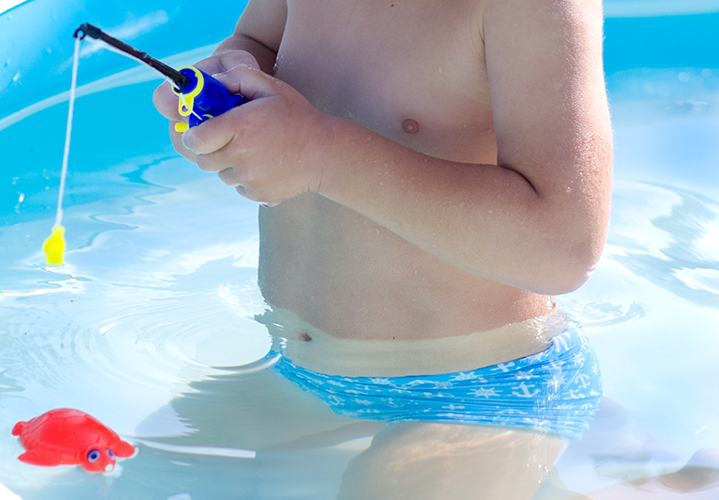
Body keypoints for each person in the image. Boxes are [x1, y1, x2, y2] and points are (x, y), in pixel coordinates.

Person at [151, 0, 612, 498]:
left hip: (480, 389)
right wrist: (229, 83)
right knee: (132, 473)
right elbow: (259, 42)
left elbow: (564, 245)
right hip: (299, 371)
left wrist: (322, 153)